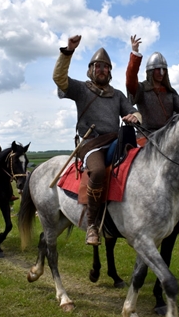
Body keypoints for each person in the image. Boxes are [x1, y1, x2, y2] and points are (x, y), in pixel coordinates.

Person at [53, 34, 141, 245]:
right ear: (91, 70)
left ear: (110, 71)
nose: (102, 70)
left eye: (106, 67)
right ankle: (92, 225)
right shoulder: (82, 89)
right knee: (99, 171)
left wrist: (133, 117)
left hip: (114, 141)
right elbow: (59, 78)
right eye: (98, 66)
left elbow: (136, 112)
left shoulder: (117, 94)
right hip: (90, 144)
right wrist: (68, 51)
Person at [125, 34, 179, 146]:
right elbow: (130, 80)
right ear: (151, 71)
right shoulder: (142, 89)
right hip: (146, 136)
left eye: (163, 69)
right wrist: (135, 54)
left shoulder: (170, 92)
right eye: (158, 69)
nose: (161, 73)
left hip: (169, 135)